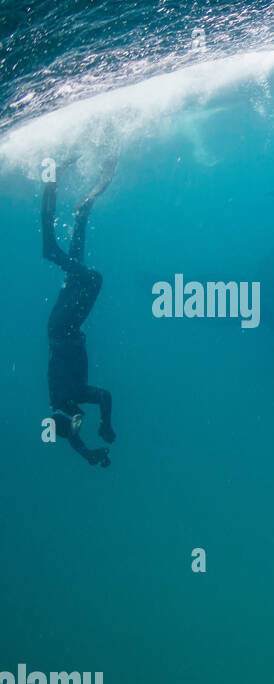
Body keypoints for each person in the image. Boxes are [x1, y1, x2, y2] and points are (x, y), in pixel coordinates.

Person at [43, 158, 116, 467]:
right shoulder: (77, 398)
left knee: (93, 279)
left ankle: (51, 249)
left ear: (65, 417)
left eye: (74, 423)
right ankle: (77, 202)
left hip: (64, 328)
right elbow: (105, 397)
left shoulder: (65, 397)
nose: (78, 423)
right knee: (79, 267)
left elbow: (72, 428)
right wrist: (102, 430)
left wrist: (96, 430)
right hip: (64, 326)